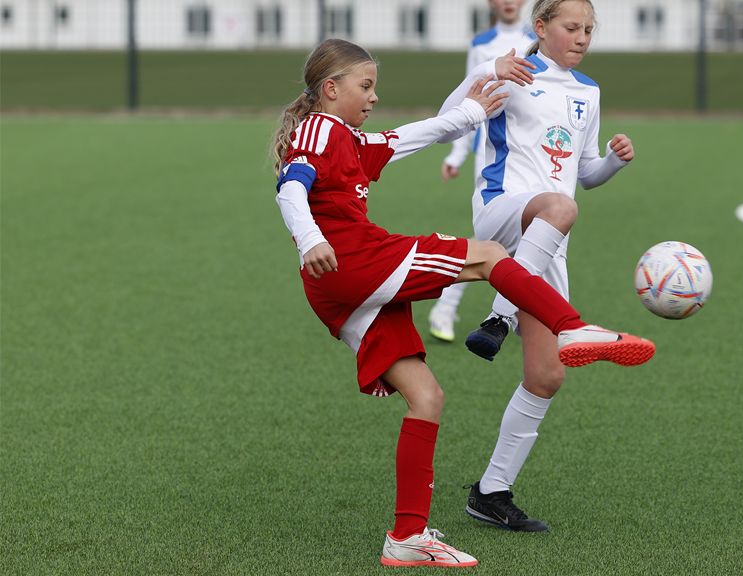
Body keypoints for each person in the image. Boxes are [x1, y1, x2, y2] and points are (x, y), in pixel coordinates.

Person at [270, 39, 654, 568]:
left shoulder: (348, 137)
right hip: (353, 262)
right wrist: (310, 237)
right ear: (330, 89)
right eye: (365, 86)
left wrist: (470, 112)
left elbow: (410, 136)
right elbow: (291, 188)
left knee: (427, 398)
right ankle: (569, 326)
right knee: (488, 254)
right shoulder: (320, 128)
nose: (374, 96)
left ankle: (406, 538)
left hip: (341, 285)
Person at [442, 0, 636, 531]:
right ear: (542, 26)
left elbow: (586, 172)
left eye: (589, 30)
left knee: (547, 377)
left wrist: (614, 161)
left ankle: (491, 491)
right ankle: (499, 316)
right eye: (572, 27)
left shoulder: (588, 92)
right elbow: (449, 116)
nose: (582, 37)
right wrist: (486, 72)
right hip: (503, 213)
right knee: (560, 205)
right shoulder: (512, 70)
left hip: (547, 240)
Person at [428, 0, 536, 343]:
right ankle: (451, 308)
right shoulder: (480, 45)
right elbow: (469, 98)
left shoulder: (539, 39)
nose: (508, 2)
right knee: (493, 240)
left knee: (521, 240)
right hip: (492, 153)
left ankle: (507, 316)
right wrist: (458, 154)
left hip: (530, 152)